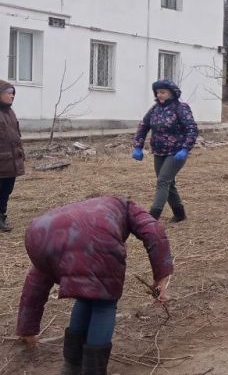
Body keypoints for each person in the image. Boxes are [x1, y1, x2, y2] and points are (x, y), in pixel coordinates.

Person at [16, 196, 174, 374]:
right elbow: (153, 230)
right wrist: (161, 276)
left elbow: (35, 285)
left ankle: (71, 366)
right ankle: (93, 371)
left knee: (85, 297)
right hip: (97, 239)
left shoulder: (95, 205)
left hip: (40, 233)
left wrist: (26, 328)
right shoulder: (128, 207)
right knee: (104, 304)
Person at [133, 79, 198, 222]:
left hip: (176, 152)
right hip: (159, 151)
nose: (159, 95)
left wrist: (185, 149)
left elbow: (191, 129)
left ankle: (152, 217)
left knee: (163, 181)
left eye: (163, 92)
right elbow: (143, 126)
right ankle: (179, 214)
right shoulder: (155, 109)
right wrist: (138, 146)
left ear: (172, 93)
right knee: (168, 183)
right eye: (158, 92)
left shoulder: (181, 108)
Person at [0, 80, 25, 233]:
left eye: (13, 93)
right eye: (9, 93)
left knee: (7, 189)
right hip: (1, 161)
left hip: (12, 161)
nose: (12, 96)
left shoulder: (10, 112)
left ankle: (2, 215)